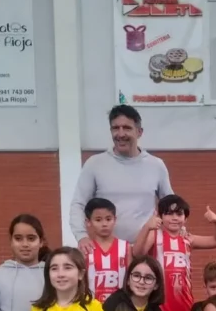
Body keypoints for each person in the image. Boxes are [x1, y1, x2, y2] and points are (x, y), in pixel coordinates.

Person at [134, 194, 216, 311]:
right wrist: (147, 227)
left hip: (184, 310)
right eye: (169, 213)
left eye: (179, 214)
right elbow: (138, 253)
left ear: (185, 218)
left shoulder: (187, 238)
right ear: (160, 216)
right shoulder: (155, 236)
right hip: (161, 310)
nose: (174, 218)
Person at [70, 105, 174, 253]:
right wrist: (81, 236)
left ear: (139, 132)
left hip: (146, 252)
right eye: (115, 128)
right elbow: (78, 204)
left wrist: (179, 230)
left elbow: (171, 206)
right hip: (106, 252)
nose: (120, 134)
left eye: (126, 128)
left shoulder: (156, 165)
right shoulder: (94, 164)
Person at [83, 198, 131, 303]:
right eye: (98, 220)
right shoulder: (85, 249)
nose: (104, 224)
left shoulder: (125, 247)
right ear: (88, 222)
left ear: (115, 220)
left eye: (108, 219)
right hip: (93, 309)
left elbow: (130, 279)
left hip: (120, 308)